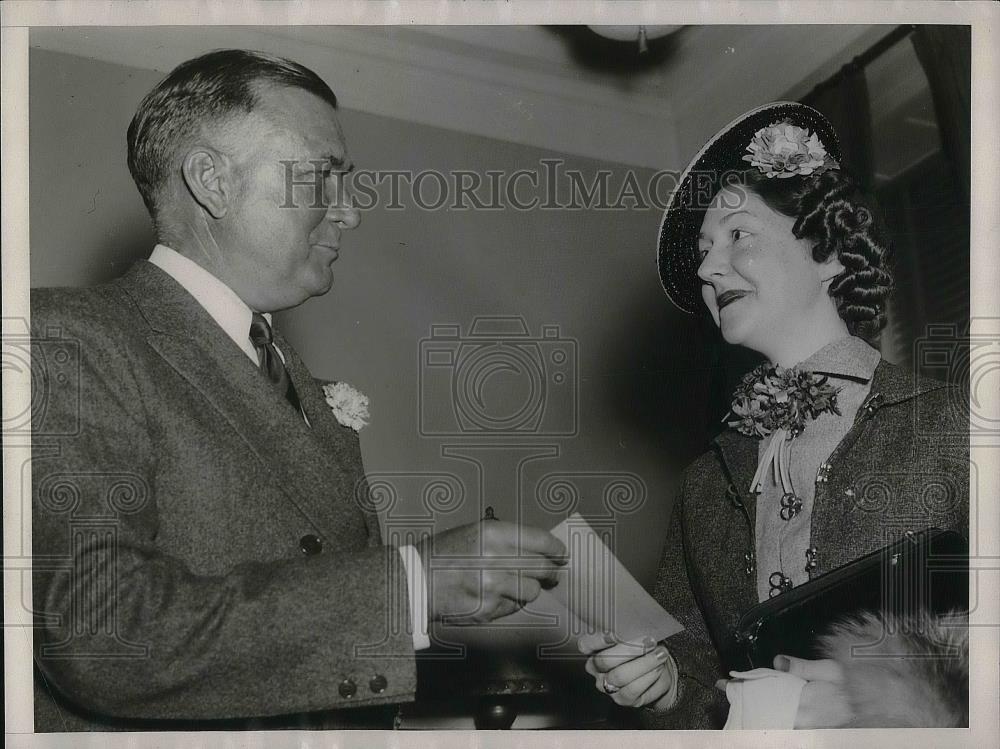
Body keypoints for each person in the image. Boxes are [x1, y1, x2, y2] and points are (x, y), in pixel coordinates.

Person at [30, 49, 567, 731]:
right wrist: (412, 584)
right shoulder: (67, 336)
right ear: (211, 181)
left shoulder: (300, 384)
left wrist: (432, 591)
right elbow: (102, 629)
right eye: (322, 178)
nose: (349, 214)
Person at [579, 102, 969, 728]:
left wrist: (890, 699)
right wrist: (666, 682)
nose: (707, 268)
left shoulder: (958, 425)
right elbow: (704, 675)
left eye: (739, 235)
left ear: (830, 251)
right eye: (705, 250)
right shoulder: (705, 485)